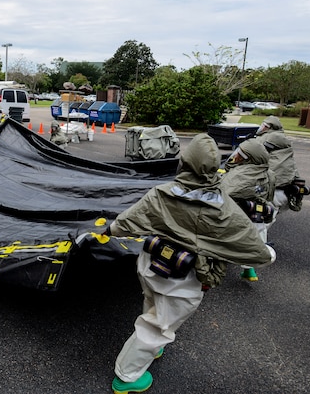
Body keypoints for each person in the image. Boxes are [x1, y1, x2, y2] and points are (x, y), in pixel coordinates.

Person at [106, 134, 276, 393]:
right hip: (183, 278)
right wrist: (267, 255)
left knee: (152, 303)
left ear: (183, 163)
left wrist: (110, 229)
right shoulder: (224, 208)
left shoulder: (161, 194)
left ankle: (151, 350)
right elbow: (255, 249)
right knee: (158, 326)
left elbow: (123, 224)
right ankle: (126, 377)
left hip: (150, 264)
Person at [220, 139, 276, 282]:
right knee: (255, 241)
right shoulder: (269, 174)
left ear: (247, 158)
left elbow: (223, 195)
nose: (235, 156)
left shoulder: (240, 175)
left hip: (236, 218)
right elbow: (269, 196)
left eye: (239, 154)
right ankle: (249, 270)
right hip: (259, 217)